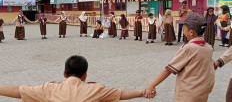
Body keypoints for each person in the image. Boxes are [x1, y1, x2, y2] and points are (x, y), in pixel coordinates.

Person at [0, 55, 156, 101]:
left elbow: (19, 91)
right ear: (85, 74)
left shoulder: (49, 89)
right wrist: (143, 92)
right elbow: (120, 94)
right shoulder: (95, 90)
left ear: (64, 73)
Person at [145, 13, 215, 101]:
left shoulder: (189, 48)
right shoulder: (208, 47)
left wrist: (151, 85)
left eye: (184, 29)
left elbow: (169, 69)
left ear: (191, 32)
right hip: (202, 91)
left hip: (187, 93)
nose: (183, 31)